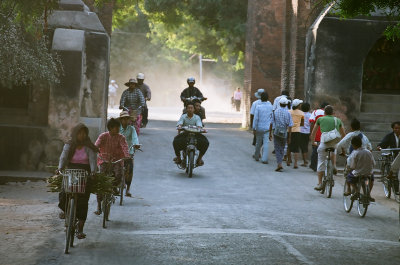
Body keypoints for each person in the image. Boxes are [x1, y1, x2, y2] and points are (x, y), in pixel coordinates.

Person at [57, 123, 98, 239]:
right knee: (65, 190)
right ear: (75, 134)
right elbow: (63, 157)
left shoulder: (89, 146)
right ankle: (65, 210)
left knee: (83, 200)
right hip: (71, 170)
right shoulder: (69, 145)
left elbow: (92, 160)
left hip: (85, 173)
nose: (82, 135)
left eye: (84, 133)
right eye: (80, 133)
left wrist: (93, 172)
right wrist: (60, 168)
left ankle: (80, 229)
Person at [94, 118, 130, 215]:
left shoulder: (121, 137)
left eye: (119, 127)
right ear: (110, 128)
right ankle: (98, 206)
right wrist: (94, 149)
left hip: (116, 161)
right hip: (104, 160)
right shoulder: (103, 136)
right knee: (101, 182)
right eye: (116, 127)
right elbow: (96, 145)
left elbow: (124, 147)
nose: (118, 129)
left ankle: (114, 187)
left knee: (119, 174)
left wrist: (127, 156)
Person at [310, 105, 345, 191]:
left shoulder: (320, 119)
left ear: (324, 112)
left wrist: (313, 142)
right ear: (333, 113)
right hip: (334, 143)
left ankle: (319, 183)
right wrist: (343, 148)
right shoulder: (338, 120)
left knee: (321, 162)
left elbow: (313, 133)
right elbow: (344, 134)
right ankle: (334, 165)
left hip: (324, 143)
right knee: (334, 150)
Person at [173, 102, 209, 166]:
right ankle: (178, 158)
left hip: (196, 134)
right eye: (188, 108)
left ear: (194, 109)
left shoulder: (197, 117)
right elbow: (180, 124)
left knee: (206, 142)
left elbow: (199, 125)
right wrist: (180, 126)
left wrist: (200, 128)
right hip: (185, 134)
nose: (190, 109)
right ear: (186, 109)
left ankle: (199, 159)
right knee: (175, 141)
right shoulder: (183, 116)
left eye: (191, 108)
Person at [344, 136, 376, 202]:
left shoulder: (355, 153)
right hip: (369, 173)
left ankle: (356, 190)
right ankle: (368, 194)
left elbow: (352, 166)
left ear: (353, 145)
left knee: (348, 177)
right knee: (371, 180)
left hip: (358, 173)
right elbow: (374, 163)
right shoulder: (368, 152)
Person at [119, 111, 140, 197]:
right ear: (121, 120)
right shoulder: (117, 128)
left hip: (129, 152)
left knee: (129, 169)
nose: (125, 120)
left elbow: (135, 138)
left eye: (127, 119)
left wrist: (136, 144)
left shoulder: (132, 129)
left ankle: (128, 189)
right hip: (118, 152)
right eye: (123, 119)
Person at [269, 97, 293, 172]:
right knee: (282, 148)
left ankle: (279, 163)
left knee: (277, 147)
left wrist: (270, 133)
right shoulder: (288, 113)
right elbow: (290, 125)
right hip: (284, 132)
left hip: (276, 131)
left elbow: (271, 122)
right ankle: (280, 162)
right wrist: (289, 137)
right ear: (286, 104)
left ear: (279, 103)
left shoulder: (275, 111)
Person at [253, 92, 273, 164]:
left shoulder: (258, 107)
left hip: (259, 127)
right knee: (266, 143)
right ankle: (264, 159)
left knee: (258, 142)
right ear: (267, 98)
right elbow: (271, 118)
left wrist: (254, 128)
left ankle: (256, 156)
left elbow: (256, 118)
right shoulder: (271, 106)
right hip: (267, 128)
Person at [309, 102, 329, 171]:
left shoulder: (315, 112)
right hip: (325, 136)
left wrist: (311, 133)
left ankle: (313, 165)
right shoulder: (329, 114)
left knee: (315, 151)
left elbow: (312, 122)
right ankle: (320, 166)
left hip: (316, 135)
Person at [287, 99, 304, 169]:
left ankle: (288, 160)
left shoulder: (289, 112)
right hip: (297, 131)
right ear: (298, 105)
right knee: (296, 147)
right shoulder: (301, 113)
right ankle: (295, 163)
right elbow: (302, 124)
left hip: (289, 131)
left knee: (289, 146)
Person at [299, 102, 311, 166]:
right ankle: (305, 160)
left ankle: (305, 161)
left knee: (302, 147)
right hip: (307, 132)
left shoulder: (300, 114)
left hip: (301, 132)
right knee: (305, 146)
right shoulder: (310, 115)